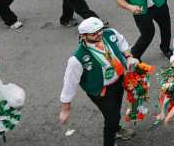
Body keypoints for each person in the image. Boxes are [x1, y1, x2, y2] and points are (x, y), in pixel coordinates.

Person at [58, 18, 136, 146]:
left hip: (118, 81)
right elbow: (69, 83)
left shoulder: (110, 34)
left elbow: (122, 43)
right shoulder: (77, 59)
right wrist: (65, 109)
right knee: (112, 117)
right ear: (83, 36)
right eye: (94, 34)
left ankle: (116, 130)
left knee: (115, 110)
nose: (99, 34)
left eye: (100, 30)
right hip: (100, 90)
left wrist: (128, 57)